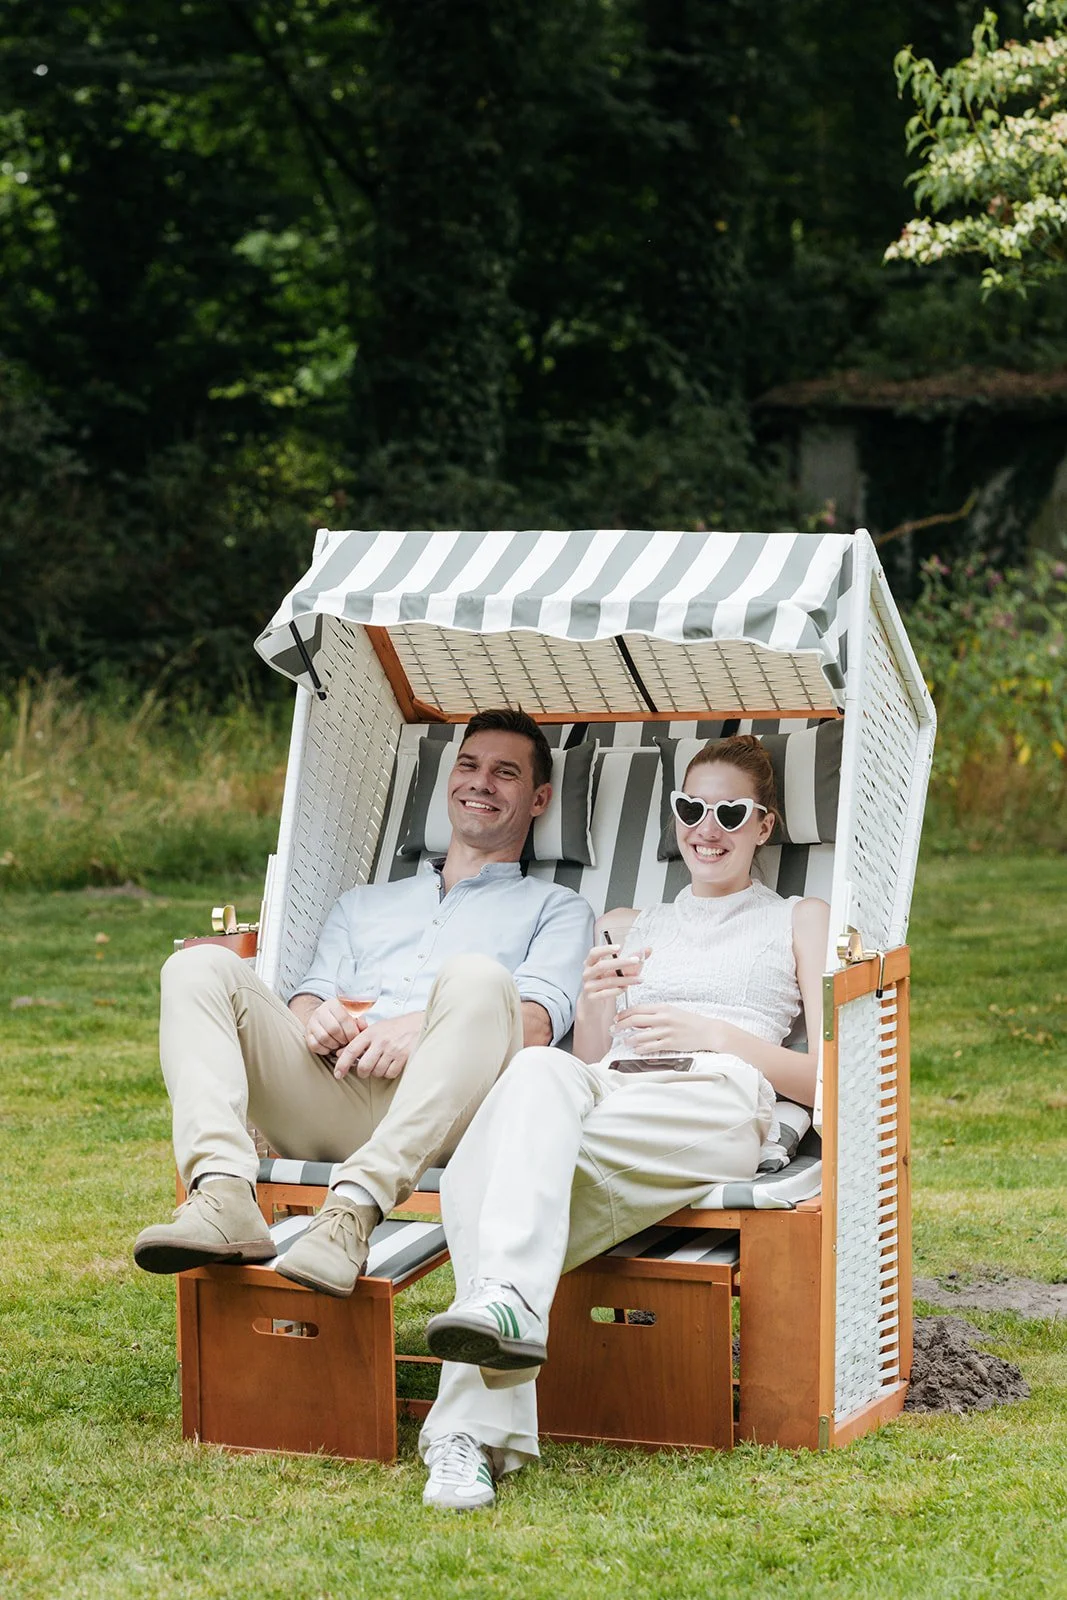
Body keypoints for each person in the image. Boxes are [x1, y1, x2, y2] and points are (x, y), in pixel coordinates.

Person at [416, 734, 830, 1510]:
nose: (706, 828)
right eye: (689, 808)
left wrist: (720, 1037)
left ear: (763, 825)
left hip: (718, 1094)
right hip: (611, 1091)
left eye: (729, 812)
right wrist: (598, 1002)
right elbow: (589, 1058)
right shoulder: (627, 919)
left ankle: (465, 1425)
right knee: (535, 1071)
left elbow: (834, 1077)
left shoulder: (800, 918)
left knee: (492, 1177)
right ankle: (489, 1349)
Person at [133, 708, 594, 1297]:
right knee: (196, 966)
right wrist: (313, 1018)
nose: (481, 782)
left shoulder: (556, 908)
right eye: (469, 765)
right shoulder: (363, 903)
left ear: (538, 799)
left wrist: (423, 1027)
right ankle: (223, 1195)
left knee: (479, 978)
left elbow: (531, 1027)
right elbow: (308, 999)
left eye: (506, 773)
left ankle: (352, 1212)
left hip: (451, 1111)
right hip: (331, 1092)